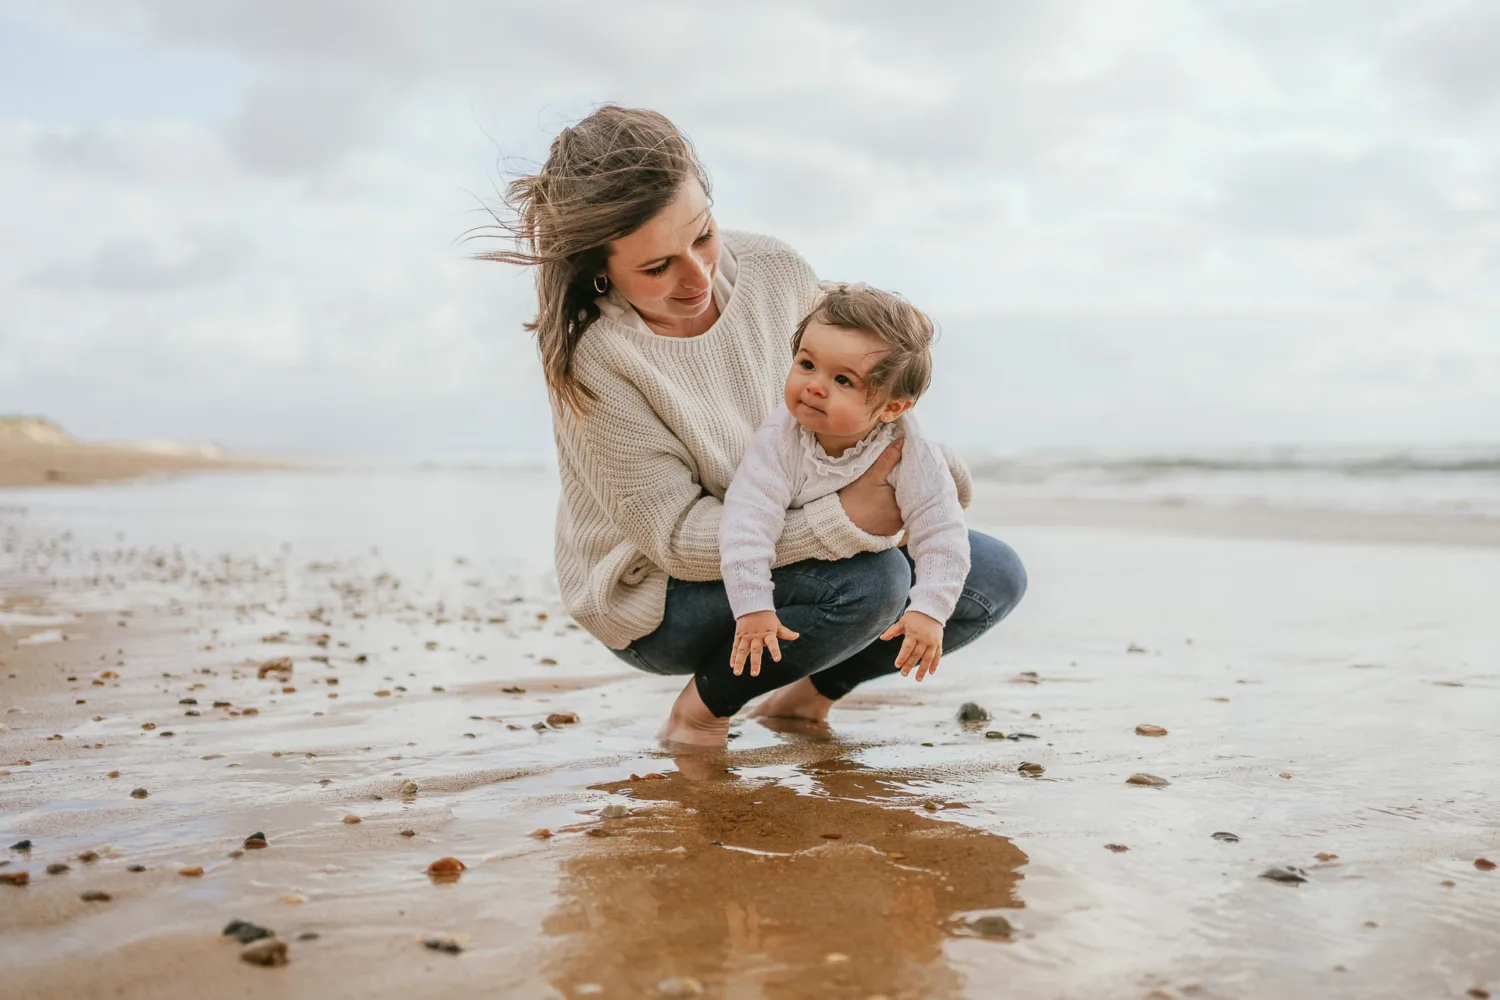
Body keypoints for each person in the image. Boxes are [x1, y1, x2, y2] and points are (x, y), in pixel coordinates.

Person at [480, 105, 1026, 747]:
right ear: (599, 267)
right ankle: (700, 711)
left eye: (704, 236)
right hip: (661, 594)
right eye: (657, 268)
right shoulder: (598, 357)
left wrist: (917, 477)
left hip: (791, 534)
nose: (698, 277)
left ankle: (803, 696)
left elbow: (867, 379)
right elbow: (677, 538)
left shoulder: (775, 270)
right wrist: (846, 520)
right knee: (872, 582)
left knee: (989, 574)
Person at [721, 284, 968, 686]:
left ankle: (816, 692)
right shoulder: (780, 440)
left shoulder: (910, 453)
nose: (815, 386)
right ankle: (715, 697)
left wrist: (928, 611)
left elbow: (941, 532)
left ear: (892, 408)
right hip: (795, 572)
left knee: (986, 570)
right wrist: (753, 608)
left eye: (843, 380)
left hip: (862, 560)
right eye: (806, 365)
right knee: (880, 579)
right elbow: (746, 524)